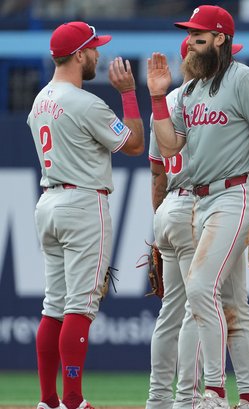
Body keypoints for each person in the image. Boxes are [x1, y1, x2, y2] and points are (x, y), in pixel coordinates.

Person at [146, 5, 249, 409]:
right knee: (232, 303)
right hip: (199, 200)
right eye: (189, 35)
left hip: (236, 193)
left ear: (221, 38)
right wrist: (157, 97)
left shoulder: (243, 79)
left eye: (199, 35)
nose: (191, 41)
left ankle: (213, 392)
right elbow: (171, 146)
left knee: (200, 288)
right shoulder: (189, 92)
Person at [28, 21, 145, 409]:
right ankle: (74, 401)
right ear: (79, 54)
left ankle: (48, 400)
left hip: (48, 201)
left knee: (53, 306)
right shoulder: (84, 102)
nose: (98, 54)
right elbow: (133, 145)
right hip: (82, 202)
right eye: (93, 48)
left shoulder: (39, 100)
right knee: (79, 306)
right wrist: (128, 94)